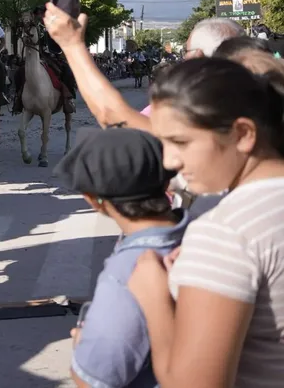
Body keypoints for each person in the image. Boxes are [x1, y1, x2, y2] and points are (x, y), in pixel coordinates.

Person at [128, 57, 284, 386]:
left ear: (243, 134)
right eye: (163, 143)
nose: (169, 161)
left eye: (181, 142)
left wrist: (154, 297)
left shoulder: (225, 231)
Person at [57, 127, 187, 388]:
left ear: (92, 199)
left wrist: (81, 345)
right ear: (164, 185)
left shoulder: (126, 275)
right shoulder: (206, 232)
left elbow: (91, 380)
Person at [43, 5, 244, 131]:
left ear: (197, 56)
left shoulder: (191, 111)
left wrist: (72, 45)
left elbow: (112, 114)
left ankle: (67, 97)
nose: (184, 59)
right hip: (45, 54)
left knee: (65, 75)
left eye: (186, 52)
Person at [13, 5, 77, 115]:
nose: (40, 16)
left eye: (42, 14)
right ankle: (18, 98)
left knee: (67, 71)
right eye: (37, 14)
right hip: (37, 56)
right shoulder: (33, 28)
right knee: (19, 72)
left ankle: (69, 98)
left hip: (53, 56)